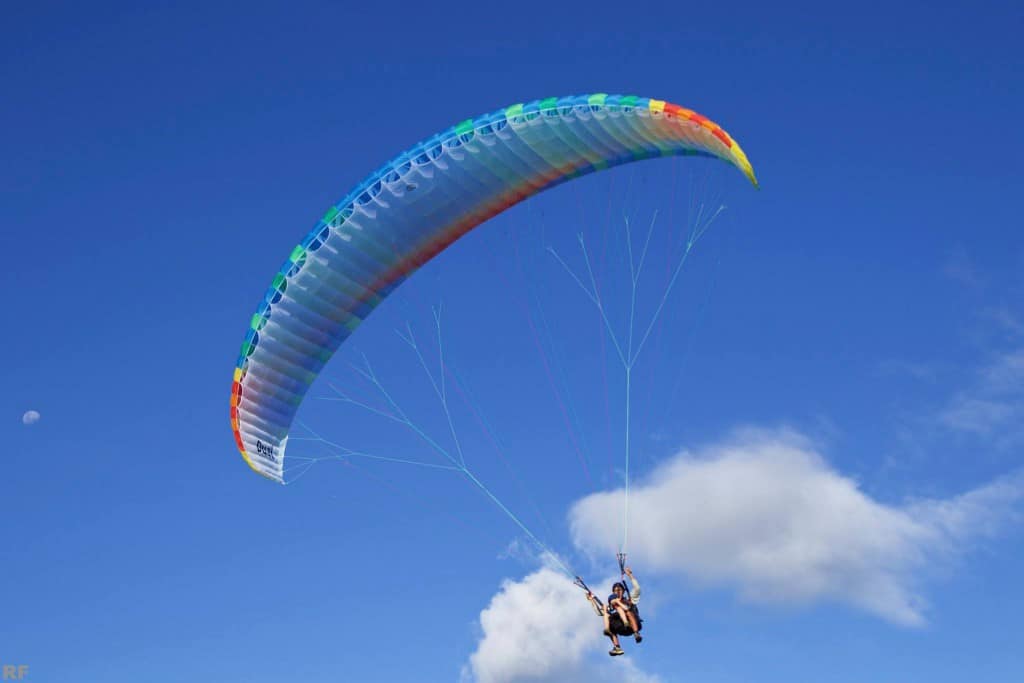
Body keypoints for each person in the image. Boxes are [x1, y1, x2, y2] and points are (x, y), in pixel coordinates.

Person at [585, 567, 643, 656]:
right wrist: (591, 600)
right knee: (608, 618)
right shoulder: (611, 605)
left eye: (619, 590)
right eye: (615, 591)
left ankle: (636, 634)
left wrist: (630, 575)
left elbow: (637, 589)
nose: (617, 592)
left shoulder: (630, 600)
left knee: (627, 611)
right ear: (613, 592)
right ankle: (617, 647)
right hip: (622, 628)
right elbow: (599, 612)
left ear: (623, 591)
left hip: (633, 624)